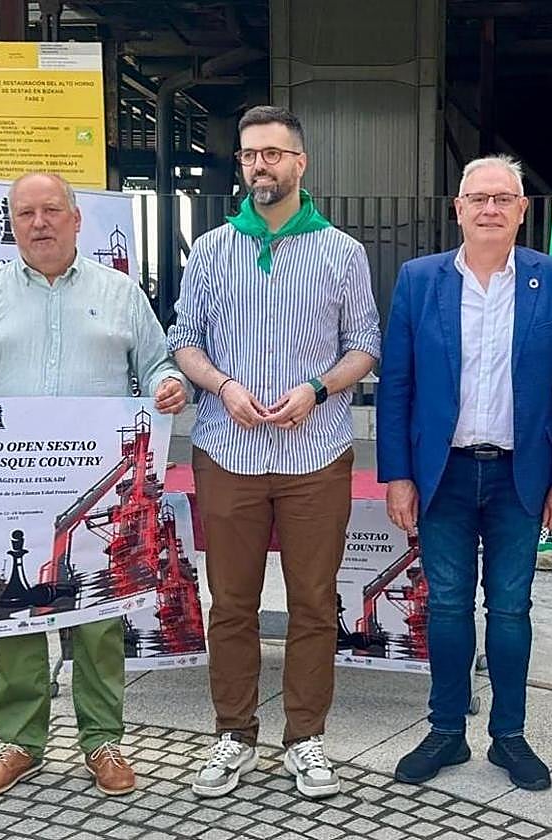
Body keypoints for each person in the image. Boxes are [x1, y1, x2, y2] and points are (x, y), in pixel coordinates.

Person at [0, 171, 186, 800]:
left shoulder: (122, 292)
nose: (39, 223)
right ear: (11, 224)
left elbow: (155, 361)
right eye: (25, 214)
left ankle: (102, 739)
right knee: (13, 613)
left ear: (77, 220)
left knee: (99, 615)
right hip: (15, 482)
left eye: (52, 210)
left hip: (90, 470)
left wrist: (166, 386)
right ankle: (20, 740)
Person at [167, 105, 380, 800]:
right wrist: (222, 386)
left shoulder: (342, 252)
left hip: (315, 451)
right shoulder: (208, 250)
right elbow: (184, 340)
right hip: (227, 450)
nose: (261, 165)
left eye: (274, 154)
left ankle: (305, 739)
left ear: (301, 164)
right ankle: (232, 734)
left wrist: (316, 390)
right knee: (229, 603)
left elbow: (366, 346)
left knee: (314, 602)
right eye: (250, 153)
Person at [376, 154, 552, 791]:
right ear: (458, 208)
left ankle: (510, 735)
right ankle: (446, 731)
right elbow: (398, 385)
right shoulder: (420, 280)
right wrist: (398, 475)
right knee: (445, 607)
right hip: (441, 474)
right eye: (478, 198)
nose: (490, 209)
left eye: (504, 198)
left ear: (523, 210)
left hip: (520, 477)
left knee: (512, 609)